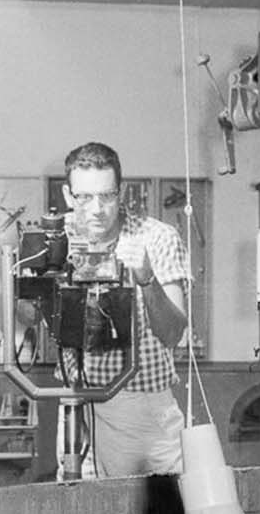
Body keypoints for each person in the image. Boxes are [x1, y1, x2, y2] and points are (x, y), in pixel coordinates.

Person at [53, 142, 190, 478]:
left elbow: (174, 335)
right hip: (77, 405)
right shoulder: (56, 240)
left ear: (122, 192)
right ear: (68, 195)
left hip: (143, 408)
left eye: (107, 196)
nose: (97, 209)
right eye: (84, 197)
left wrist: (146, 278)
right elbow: (27, 321)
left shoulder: (157, 238)